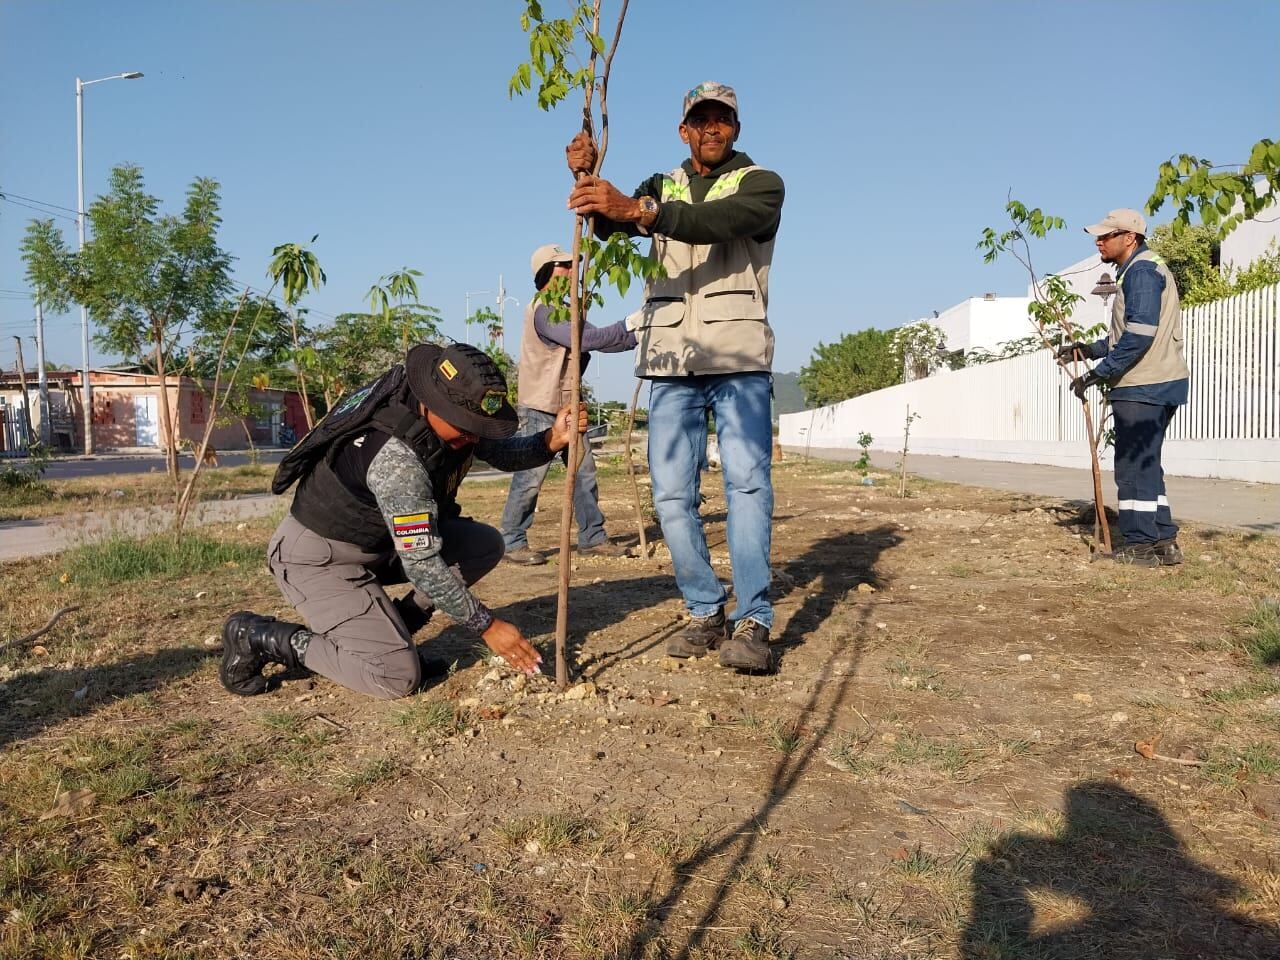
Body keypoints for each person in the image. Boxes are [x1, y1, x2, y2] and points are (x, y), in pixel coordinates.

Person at [219, 342, 588, 700]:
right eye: (467, 426)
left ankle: (398, 629)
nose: (474, 436)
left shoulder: (454, 421)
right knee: (395, 676)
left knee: (484, 546)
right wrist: (487, 626)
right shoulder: (398, 461)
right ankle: (262, 637)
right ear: (432, 404)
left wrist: (552, 439)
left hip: (379, 547)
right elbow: (423, 565)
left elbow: (501, 453)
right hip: (320, 560)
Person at [565, 80, 785, 671]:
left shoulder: (761, 184)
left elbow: (719, 221)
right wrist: (586, 178)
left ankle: (755, 620)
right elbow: (607, 223)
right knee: (669, 494)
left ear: (735, 128)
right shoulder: (658, 185)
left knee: (746, 487)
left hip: (737, 359)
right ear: (684, 129)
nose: (712, 128)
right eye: (701, 119)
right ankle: (704, 608)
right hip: (668, 361)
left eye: (723, 119)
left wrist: (640, 210)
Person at [1059, 208, 1189, 567]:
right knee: (1147, 465)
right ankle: (1164, 542)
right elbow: (1124, 335)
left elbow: (1139, 338)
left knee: (1133, 466)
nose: (1099, 241)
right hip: (1158, 381)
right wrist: (1086, 350)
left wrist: (1098, 372)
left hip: (1144, 384)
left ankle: (1138, 546)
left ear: (1129, 237)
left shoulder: (1143, 272)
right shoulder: (1143, 268)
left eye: (1107, 235)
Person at [499, 243, 639, 565]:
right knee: (530, 476)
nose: (572, 271)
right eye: (564, 266)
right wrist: (627, 325)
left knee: (585, 473)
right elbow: (587, 340)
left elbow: (602, 339)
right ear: (547, 272)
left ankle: (592, 537)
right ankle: (511, 541)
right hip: (541, 406)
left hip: (568, 404)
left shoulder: (564, 309)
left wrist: (637, 335)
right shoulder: (546, 309)